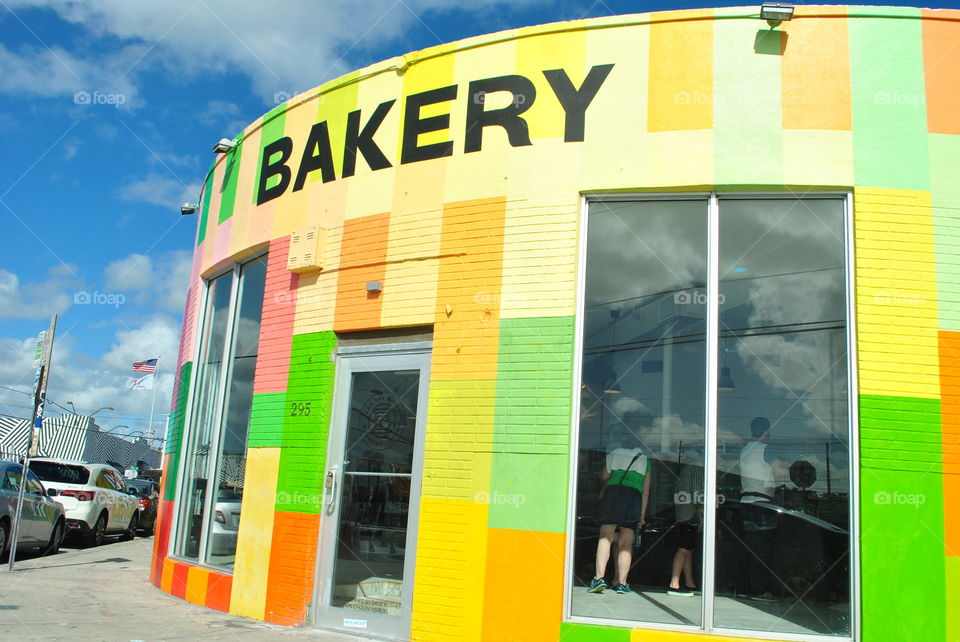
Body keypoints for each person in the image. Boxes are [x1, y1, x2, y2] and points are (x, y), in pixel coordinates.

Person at [587, 441, 652, 595]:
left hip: (613, 495)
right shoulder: (645, 460)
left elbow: (604, 477)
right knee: (626, 543)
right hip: (633, 498)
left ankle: (598, 579)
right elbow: (646, 491)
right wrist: (642, 516)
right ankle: (622, 583)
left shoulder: (614, 453)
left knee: (605, 536)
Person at [737, 416, 783, 602]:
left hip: (745, 504)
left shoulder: (745, 450)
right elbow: (778, 474)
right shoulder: (767, 449)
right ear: (766, 431)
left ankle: (745, 588)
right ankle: (759, 591)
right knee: (762, 551)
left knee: (748, 549)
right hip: (761, 505)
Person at [667, 453, 705, 597]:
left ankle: (689, 583)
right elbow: (697, 492)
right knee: (684, 548)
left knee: (688, 549)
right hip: (691, 513)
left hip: (683, 513)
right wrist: (702, 509)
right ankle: (674, 584)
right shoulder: (697, 467)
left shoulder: (684, 469)